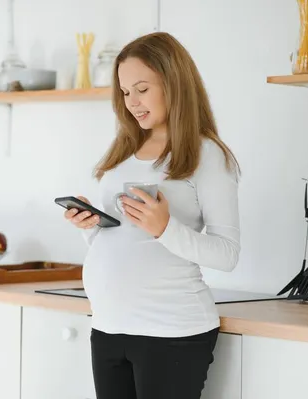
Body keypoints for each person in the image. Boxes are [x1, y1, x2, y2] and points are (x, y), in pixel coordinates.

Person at [64, 31, 241, 399]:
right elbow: (121, 240)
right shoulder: (124, 150)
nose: (132, 102)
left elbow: (227, 254)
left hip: (171, 331)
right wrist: (91, 227)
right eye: (126, 92)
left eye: (142, 89)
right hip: (108, 327)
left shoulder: (206, 155)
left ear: (173, 82)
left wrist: (164, 228)